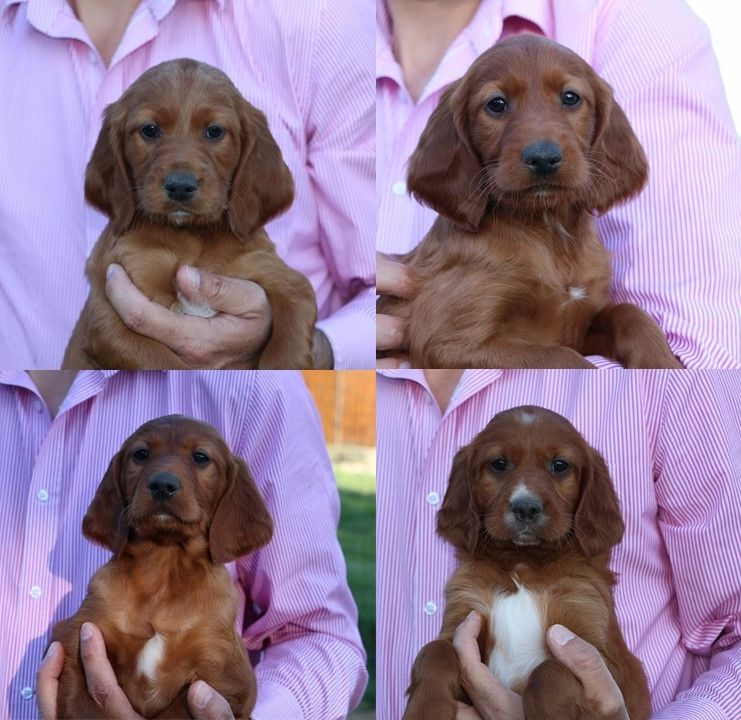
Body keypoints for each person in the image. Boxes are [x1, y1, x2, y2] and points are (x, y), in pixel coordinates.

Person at [0, 0, 375, 370]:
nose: (179, 179)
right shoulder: (132, 247)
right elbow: (104, 336)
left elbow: (371, 291)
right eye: (149, 131)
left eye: (214, 132)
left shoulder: (316, 19)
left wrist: (309, 354)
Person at [376, 0, 741, 368]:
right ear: (461, 135)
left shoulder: (637, 19)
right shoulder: (476, 257)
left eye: (570, 99)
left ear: (600, 123)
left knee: (628, 322)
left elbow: (709, 350)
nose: (542, 150)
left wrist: (630, 330)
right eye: (497, 106)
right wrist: (568, 369)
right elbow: (444, 346)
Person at [0, 370, 366, 719]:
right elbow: (70, 656)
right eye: (142, 456)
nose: (163, 479)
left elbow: (318, 638)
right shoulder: (108, 594)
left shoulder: (256, 384)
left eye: (200, 459)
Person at [376, 368, 741, 718]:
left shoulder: (580, 584)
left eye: (560, 467)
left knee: (552, 682)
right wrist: (433, 674)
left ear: (588, 489)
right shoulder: (472, 579)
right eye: (499, 465)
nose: (526, 499)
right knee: (437, 660)